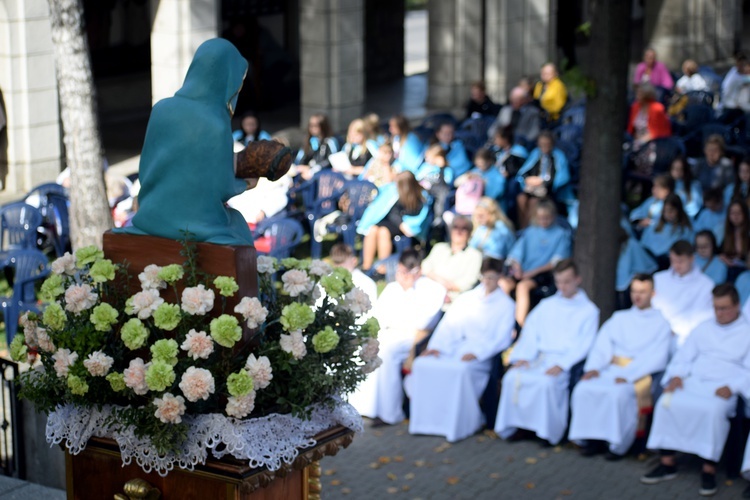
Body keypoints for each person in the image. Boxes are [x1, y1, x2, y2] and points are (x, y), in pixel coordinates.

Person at [121, 38, 256, 246]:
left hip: (150, 216)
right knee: (237, 228)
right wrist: (246, 182)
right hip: (194, 226)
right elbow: (220, 188)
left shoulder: (161, 109)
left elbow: (146, 170)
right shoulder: (216, 124)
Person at [642, 284, 750, 497]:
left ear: (737, 306)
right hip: (695, 380)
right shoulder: (703, 327)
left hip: (724, 386)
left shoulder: (747, 332)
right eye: (716, 308)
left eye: (725, 308)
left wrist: (734, 386)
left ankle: (708, 469)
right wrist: (676, 376)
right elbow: (683, 357)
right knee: (667, 402)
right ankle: (667, 462)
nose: (720, 313)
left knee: (713, 411)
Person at [408, 258, 515, 442]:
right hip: (454, 347)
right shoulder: (468, 298)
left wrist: (479, 353)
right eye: (485, 277)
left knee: (460, 370)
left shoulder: (506, 305)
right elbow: (449, 325)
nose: (488, 282)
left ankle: (457, 424)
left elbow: (502, 338)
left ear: (499, 277)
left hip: (481, 356)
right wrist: (436, 347)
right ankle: (426, 422)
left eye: (492, 277)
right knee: (422, 364)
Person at [494, 259, 599, 446]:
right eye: (558, 282)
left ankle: (547, 432)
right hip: (538, 357)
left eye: (567, 282)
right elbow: (531, 333)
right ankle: (519, 426)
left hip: (563, 362)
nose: (562, 287)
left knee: (546, 383)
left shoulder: (589, 310)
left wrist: (563, 364)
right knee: (513, 377)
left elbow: (586, 343)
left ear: (578, 279)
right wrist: (523, 356)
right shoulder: (547, 305)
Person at [569, 274, 671, 459]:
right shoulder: (619, 317)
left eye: (642, 292)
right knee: (583, 389)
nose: (637, 296)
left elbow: (658, 357)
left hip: (638, 374)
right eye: (634, 291)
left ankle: (616, 445)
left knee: (617, 394)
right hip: (610, 369)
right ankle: (592, 440)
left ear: (653, 293)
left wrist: (630, 375)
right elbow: (603, 345)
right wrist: (594, 368)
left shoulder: (661, 323)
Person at [347, 250, 447, 426]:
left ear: (418, 271)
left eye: (408, 273)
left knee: (386, 352)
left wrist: (410, 290)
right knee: (362, 346)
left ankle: (389, 413)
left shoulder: (433, 289)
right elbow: (378, 316)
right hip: (389, 332)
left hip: (415, 337)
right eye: (400, 272)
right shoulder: (392, 288)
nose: (403, 277)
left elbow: (425, 323)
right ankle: (362, 406)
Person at [503, 199, 571, 326]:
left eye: (547, 218)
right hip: (523, 272)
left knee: (522, 287)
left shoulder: (561, 234)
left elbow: (556, 261)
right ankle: (503, 323)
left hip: (543, 274)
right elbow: (516, 254)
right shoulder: (530, 232)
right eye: (540, 218)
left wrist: (531, 272)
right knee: (504, 284)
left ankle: (519, 326)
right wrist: (517, 268)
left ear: (553, 216)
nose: (543, 221)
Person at [358, 171, 430, 274]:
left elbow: (419, 217)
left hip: (404, 224)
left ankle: (382, 269)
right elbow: (392, 212)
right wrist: (400, 224)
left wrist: (403, 225)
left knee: (383, 232)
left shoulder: (420, 197)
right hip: (394, 221)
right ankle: (366, 266)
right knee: (372, 229)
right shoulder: (396, 195)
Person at [651, 240, 714, 347]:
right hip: (656, 333)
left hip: (687, 339)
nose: (676, 265)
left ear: (691, 259)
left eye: (680, 261)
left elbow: (703, 317)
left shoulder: (706, 285)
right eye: (673, 260)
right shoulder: (658, 279)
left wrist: (678, 331)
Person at [420, 216, 484, 306]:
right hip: (429, 295)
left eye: (464, 228)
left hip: (454, 302)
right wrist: (441, 282)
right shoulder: (439, 247)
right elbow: (424, 267)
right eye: (456, 227)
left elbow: (467, 283)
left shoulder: (475, 255)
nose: (459, 231)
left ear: (469, 233)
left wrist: (436, 279)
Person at [515, 131, 571, 228]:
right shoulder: (536, 153)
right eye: (542, 144)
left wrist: (543, 182)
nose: (544, 147)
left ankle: (532, 227)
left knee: (534, 202)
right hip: (532, 188)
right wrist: (527, 179)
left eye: (547, 144)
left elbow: (561, 177)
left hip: (549, 190)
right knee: (521, 199)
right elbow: (526, 170)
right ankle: (523, 228)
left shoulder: (558, 155)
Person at [640, 193, 694, 267]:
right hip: (650, 261)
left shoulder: (685, 230)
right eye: (665, 211)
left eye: (671, 211)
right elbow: (644, 244)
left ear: (678, 210)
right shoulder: (655, 224)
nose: (668, 214)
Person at [329, 243, 378, 314]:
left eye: (344, 264)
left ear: (354, 261)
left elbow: (372, 312)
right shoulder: (328, 280)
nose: (341, 268)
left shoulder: (367, 283)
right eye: (337, 264)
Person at [627, 83, 672, 151]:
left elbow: (658, 132)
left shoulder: (657, 108)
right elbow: (631, 129)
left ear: (647, 95)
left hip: (655, 143)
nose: (637, 95)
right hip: (635, 140)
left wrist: (641, 141)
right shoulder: (635, 106)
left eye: (640, 93)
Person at [294, 113, 340, 180]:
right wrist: (299, 167)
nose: (313, 128)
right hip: (309, 171)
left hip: (323, 173)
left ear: (323, 126)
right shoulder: (310, 141)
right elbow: (301, 157)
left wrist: (312, 169)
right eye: (310, 125)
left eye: (316, 126)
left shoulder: (330, 142)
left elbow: (331, 160)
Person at [718, 200, 750, 280]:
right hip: (728, 270)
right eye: (732, 213)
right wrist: (724, 259)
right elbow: (716, 252)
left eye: (739, 213)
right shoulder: (722, 231)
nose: (736, 216)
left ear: (745, 214)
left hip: (746, 272)